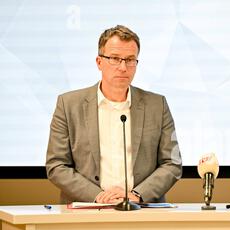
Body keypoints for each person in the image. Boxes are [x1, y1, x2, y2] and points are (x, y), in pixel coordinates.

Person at [46, 25, 182, 204]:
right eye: (115, 59)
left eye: (130, 59)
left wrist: (136, 195)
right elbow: (56, 165)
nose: (123, 67)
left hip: (141, 211)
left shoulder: (157, 105)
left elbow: (172, 163)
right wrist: (97, 196)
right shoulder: (69, 105)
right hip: (86, 211)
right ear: (99, 62)